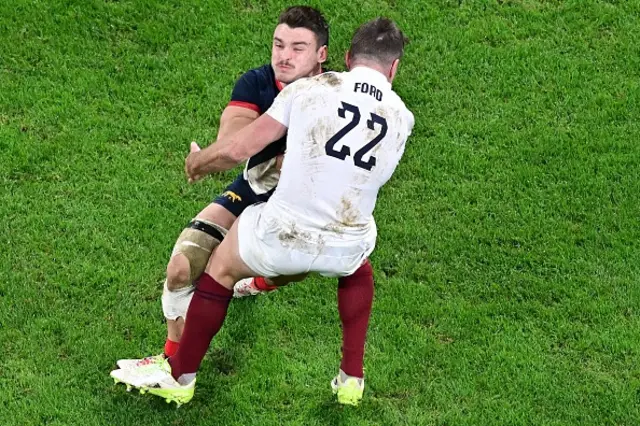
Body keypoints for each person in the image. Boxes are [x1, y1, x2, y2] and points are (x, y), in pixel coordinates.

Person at [111, 17, 413, 407]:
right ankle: (351, 377)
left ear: (345, 56)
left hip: (282, 232)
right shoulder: (403, 117)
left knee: (220, 268)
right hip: (347, 238)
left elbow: (237, 149)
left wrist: (198, 163)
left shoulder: (309, 91)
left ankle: (179, 374)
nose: (285, 56)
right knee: (358, 263)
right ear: (394, 68)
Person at [116, 6, 329, 370]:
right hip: (253, 188)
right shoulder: (256, 83)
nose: (284, 56)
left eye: (297, 48)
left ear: (321, 54)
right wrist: (226, 152)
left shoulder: (336, 95)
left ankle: (261, 283)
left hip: (304, 206)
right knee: (182, 267)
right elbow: (232, 140)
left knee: (291, 268)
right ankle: (170, 363)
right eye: (278, 45)